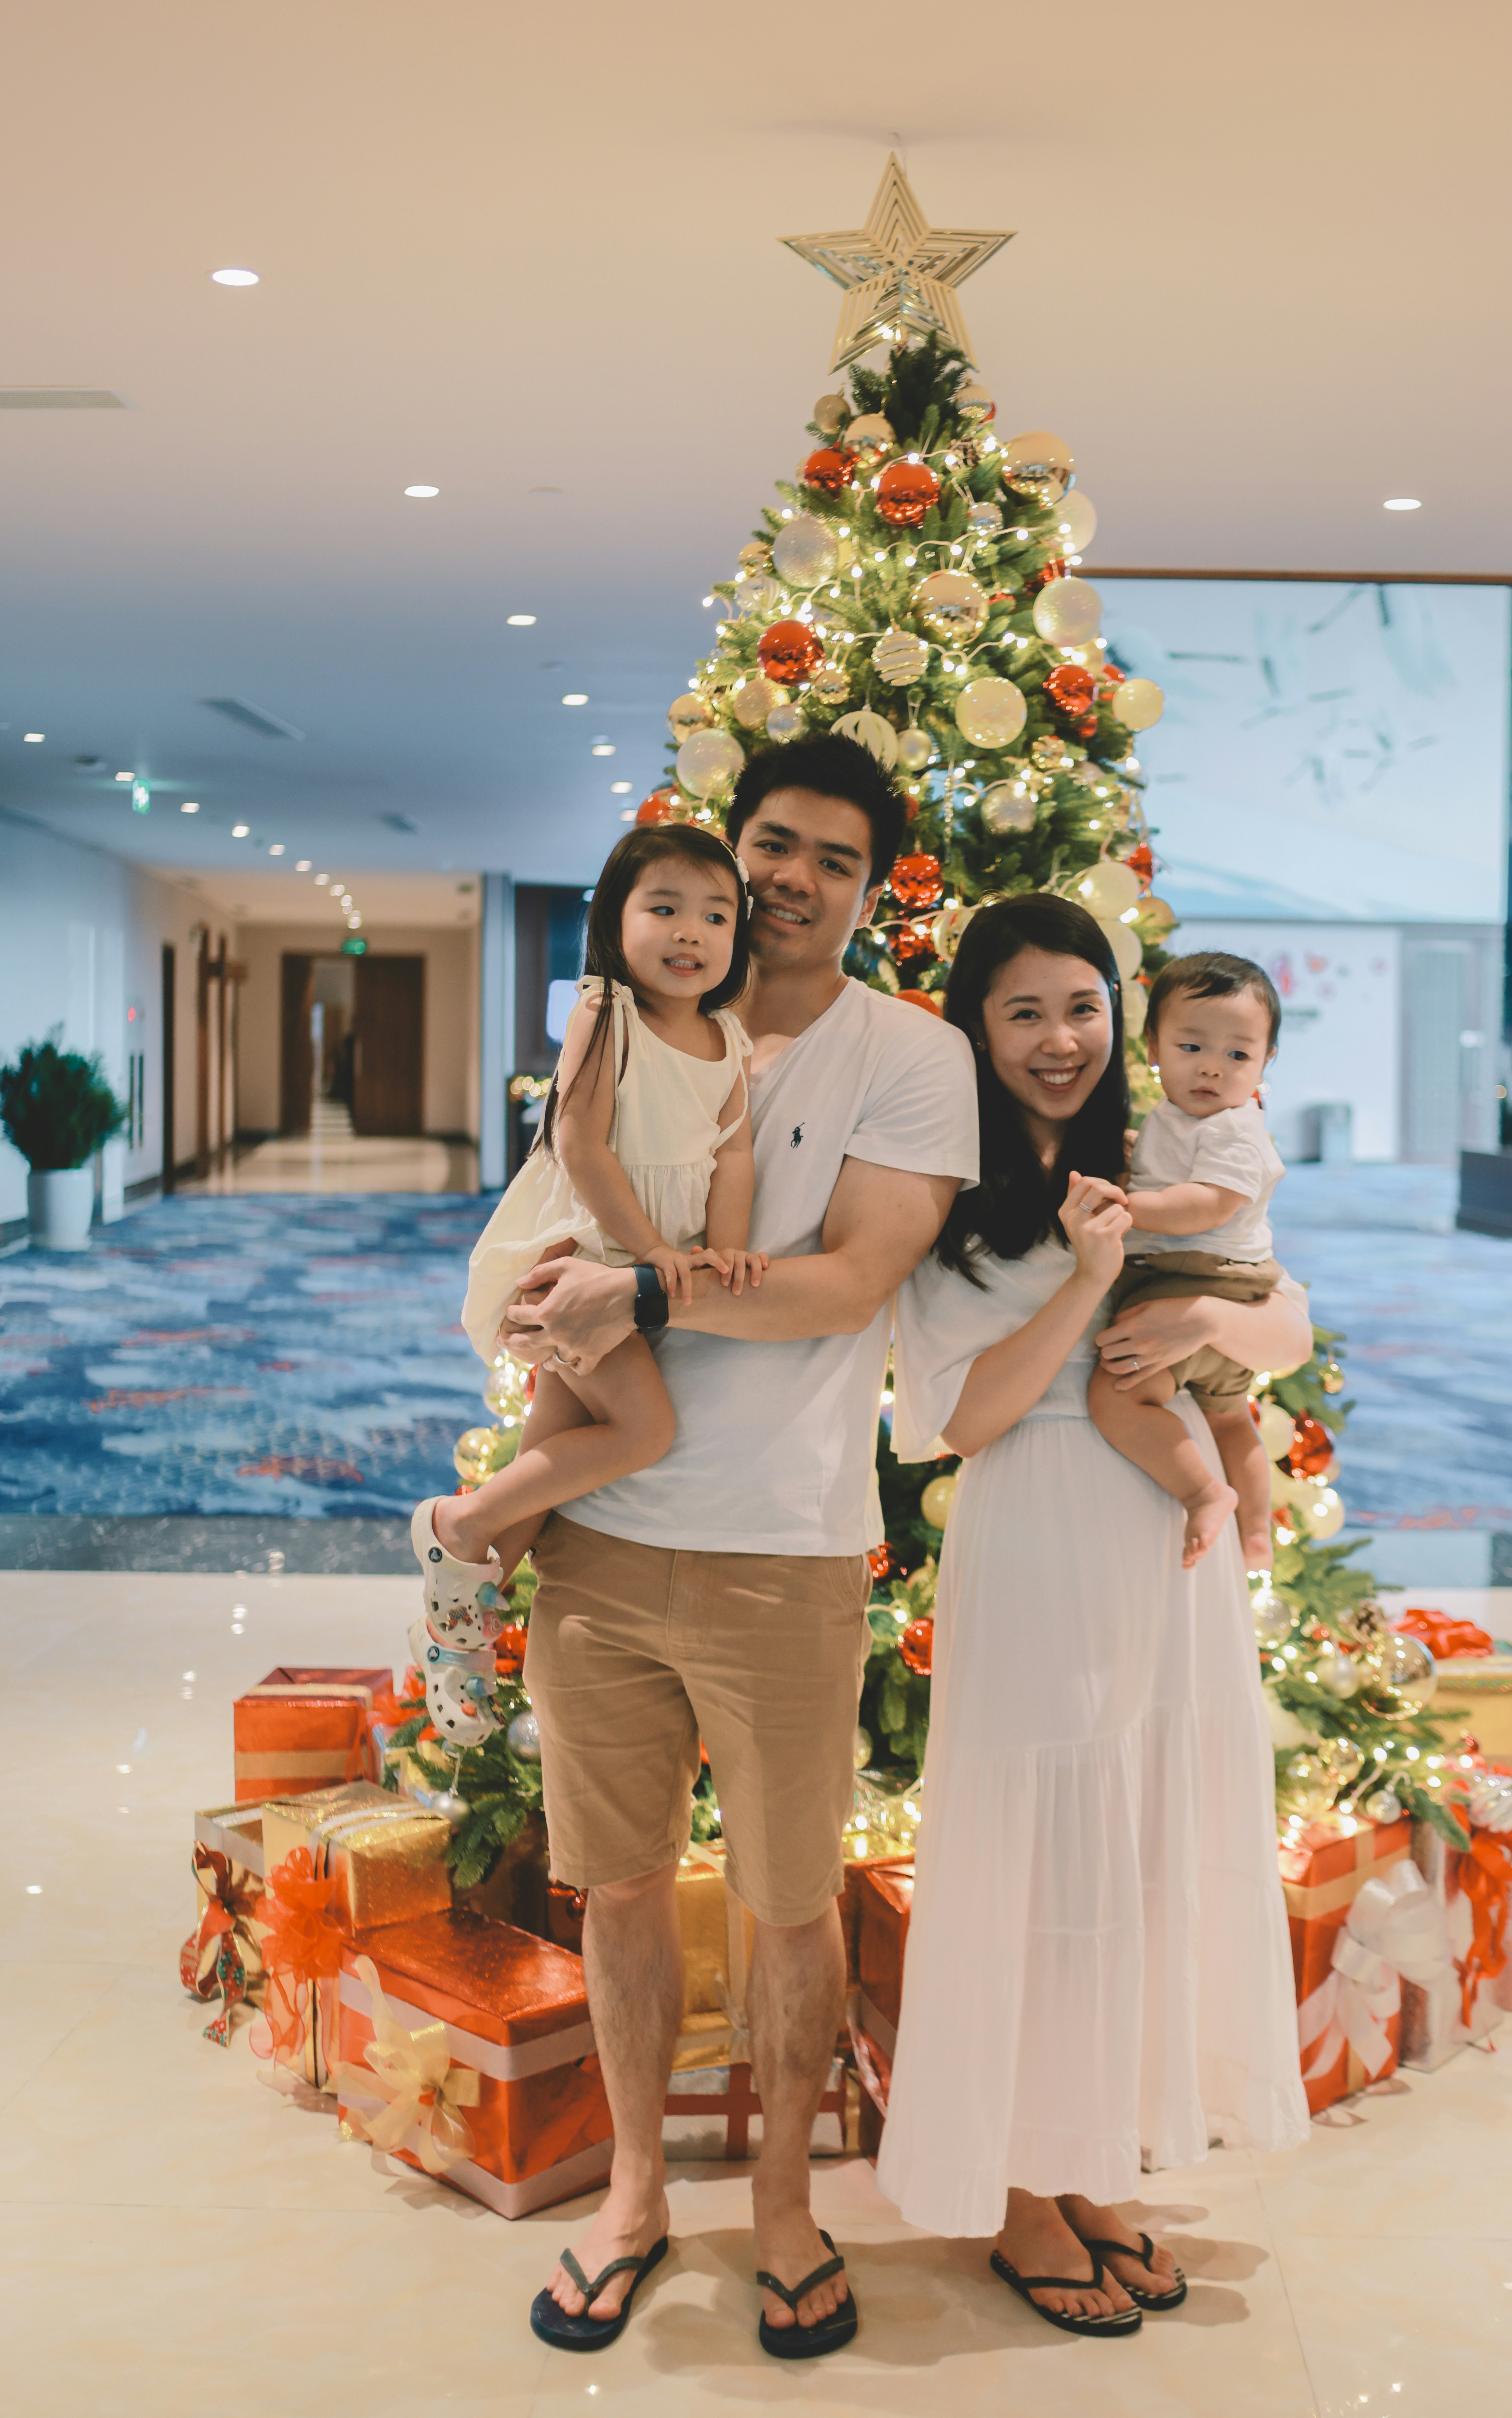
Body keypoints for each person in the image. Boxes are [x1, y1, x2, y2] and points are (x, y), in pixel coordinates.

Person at [495, 734, 979, 2358]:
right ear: (726, 847)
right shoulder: (631, 1024)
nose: (791, 878)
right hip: (600, 1535)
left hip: (785, 1545)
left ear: (873, 886)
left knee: (787, 1899)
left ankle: (783, 2198)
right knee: (620, 1884)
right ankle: (635, 2189)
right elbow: (552, 1211)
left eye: (835, 858)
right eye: (772, 841)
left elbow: (847, 1284)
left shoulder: (907, 1052)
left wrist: (643, 1288)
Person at [877, 894, 1311, 2334]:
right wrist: (1088, 1284)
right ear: (976, 1026)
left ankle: (1087, 2157)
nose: (1058, 1039)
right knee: (1041, 1858)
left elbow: (1285, 1313)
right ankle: (1017, 2189)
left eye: (1081, 1007)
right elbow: (960, 1419)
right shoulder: (947, 1194)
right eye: (1022, 1012)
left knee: (1134, 1852)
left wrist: (1203, 1324)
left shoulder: (1162, 1144)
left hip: (1166, 1542)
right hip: (1039, 1528)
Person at [405, 827, 760, 1744]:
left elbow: (734, 1155)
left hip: (634, 1271)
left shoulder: (729, 1037)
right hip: (580, 1254)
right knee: (645, 1430)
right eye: (665, 908)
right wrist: (651, 1252)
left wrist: (724, 1250)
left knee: (545, 1471)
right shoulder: (607, 1012)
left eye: (716, 915)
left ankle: (458, 1633)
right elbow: (579, 1143)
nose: (691, 932)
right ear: (615, 920)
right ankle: (457, 1521)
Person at [1086, 950, 1293, 1573]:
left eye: (1237, 1055)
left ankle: (1204, 1492)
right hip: (1215, 1280)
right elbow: (1175, 1168)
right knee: (1229, 1417)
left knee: (1117, 1396)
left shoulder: (1235, 1129)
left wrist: (1129, 1205)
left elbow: (1205, 1204)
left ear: (1265, 1061)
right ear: (1154, 1046)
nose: (1211, 1067)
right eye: (1191, 1047)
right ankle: (1255, 1534)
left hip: (1200, 1276)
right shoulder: (1177, 1119)